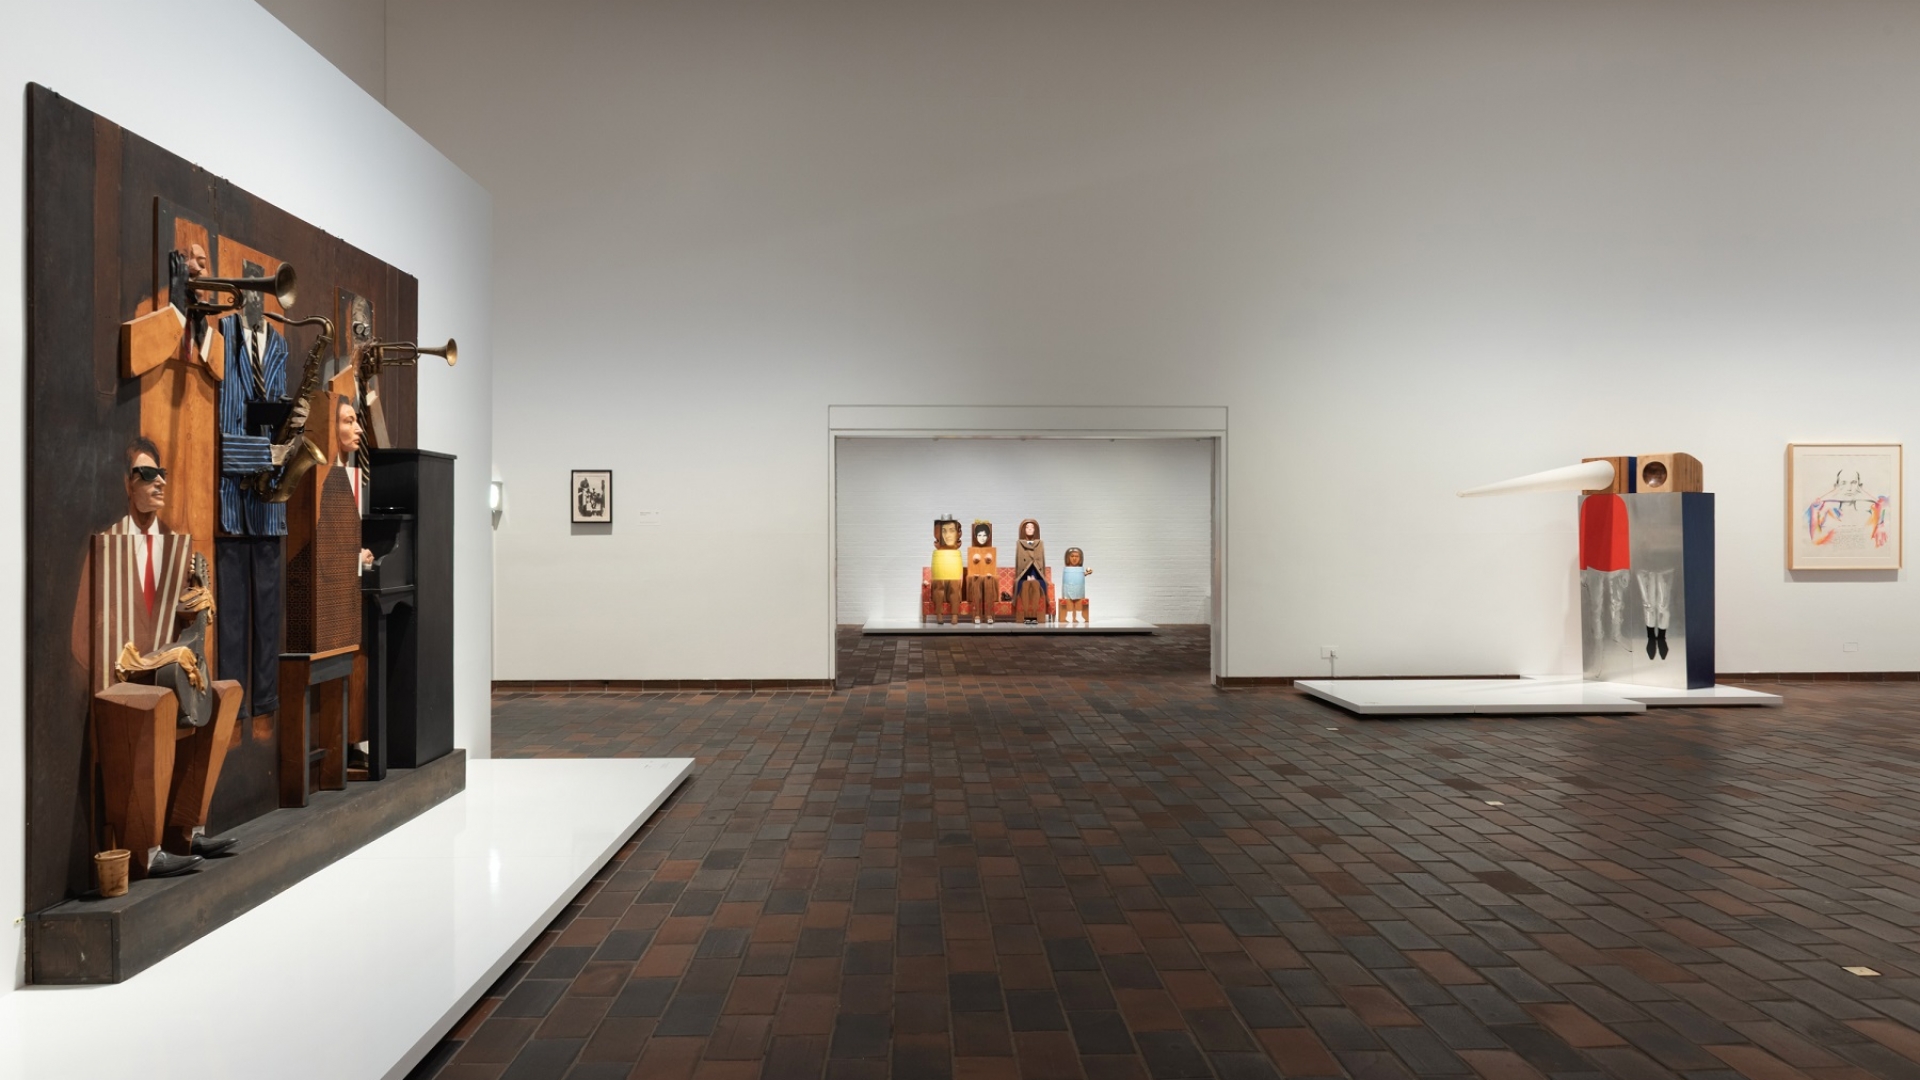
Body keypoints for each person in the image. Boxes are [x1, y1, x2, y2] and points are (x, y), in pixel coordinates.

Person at [94, 438, 238, 877]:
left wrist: (199, 602)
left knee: (224, 694)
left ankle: (186, 830)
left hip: (167, 668)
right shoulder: (109, 544)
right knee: (157, 705)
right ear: (126, 484)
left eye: (162, 474)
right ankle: (147, 848)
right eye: (146, 474)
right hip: (121, 674)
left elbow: (181, 616)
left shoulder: (178, 547)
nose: (158, 482)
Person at [215, 267, 289, 718]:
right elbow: (221, 435)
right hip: (231, 498)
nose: (259, 301)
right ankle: (232, 707)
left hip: (268, 505)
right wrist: (266, 454)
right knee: (232, 619)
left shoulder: (279, 345)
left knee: (268, 614)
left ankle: (264, 700)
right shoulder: (222, 333)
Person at [1011, 518, 1048, 624]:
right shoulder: (1020, 543)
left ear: (1036, 530)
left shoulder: (1040, 543)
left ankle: (1035, 616)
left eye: (1032, 527)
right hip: (1024, 574)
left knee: (1037, 584)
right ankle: (1026, 616)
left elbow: (1041, 561)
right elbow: (1019, 562)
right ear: (1023, 530)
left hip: (1037, 574)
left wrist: (1036, 576)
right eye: (1027, 527)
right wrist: (1025, 575)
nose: (1030, 529)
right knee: (1025, 585)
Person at [928, 517, 963, 625]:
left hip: (954, 561)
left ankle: (955, 614)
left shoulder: (956, 551)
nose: (948, 535)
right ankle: (939, 614)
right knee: (939, 586)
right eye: (944, 531)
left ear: (957, 533)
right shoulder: (937, 551)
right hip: (940, 560)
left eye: (952, 530)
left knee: (955, 586)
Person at [966, 521, 998, 625]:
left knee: (989, 581)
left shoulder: (991, 551)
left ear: (988, 536)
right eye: (979, 535)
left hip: (988, 577)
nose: (982, 538)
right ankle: (977, 615)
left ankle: (989, 615)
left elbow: (992, 569)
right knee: (976, 581)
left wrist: (991, 575)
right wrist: (974, 575)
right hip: (975, 578)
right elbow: (971, 570)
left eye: (984, 535)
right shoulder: (972, 551)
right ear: (975, 536)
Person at [1059, 547, 1092, 625]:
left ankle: (1076, 618)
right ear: (1068, 557)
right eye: (1072, 556)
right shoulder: (1067, 569)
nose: (1074, 558)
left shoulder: (1080, 569)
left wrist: (1088, 572)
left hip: (1079, 589)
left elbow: (1082, 575)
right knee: (1068, 603)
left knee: (1078, 603)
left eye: (1077, 556)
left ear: (1080, 558)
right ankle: (1065, 618)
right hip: (1067, 589)